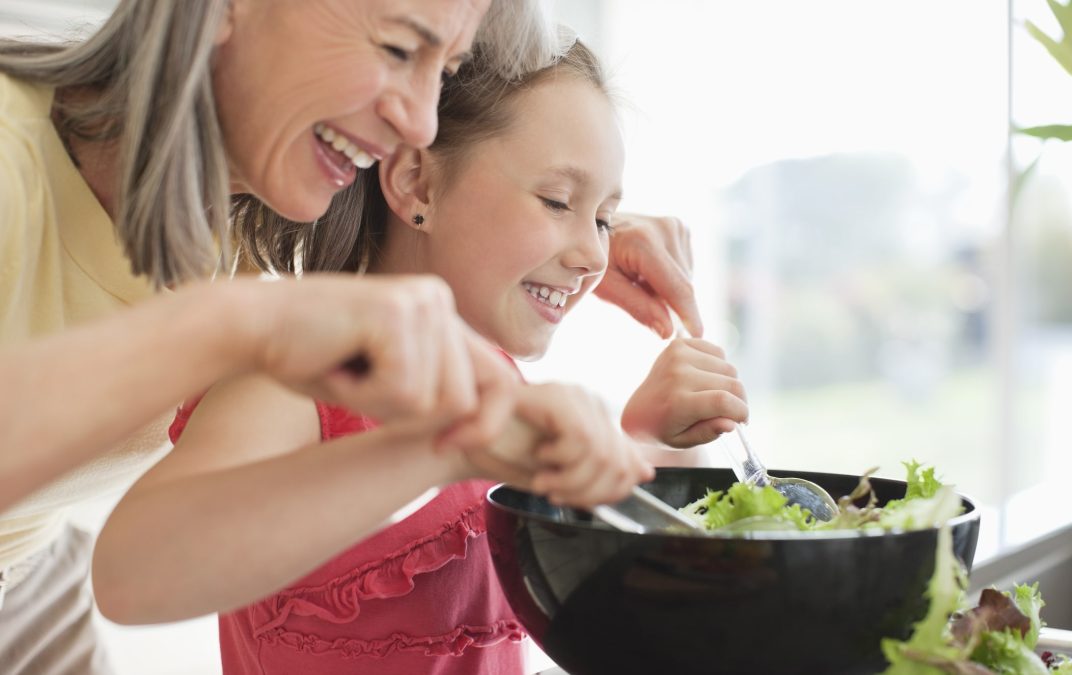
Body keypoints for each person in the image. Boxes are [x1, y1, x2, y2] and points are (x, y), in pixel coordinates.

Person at [0, 1, 703, 673]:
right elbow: (134, 570)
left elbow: (419, 199)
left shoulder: (232, 201)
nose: (417, 120)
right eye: (400, 47)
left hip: (25, 564)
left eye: (445, 70)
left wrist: (572, 232)